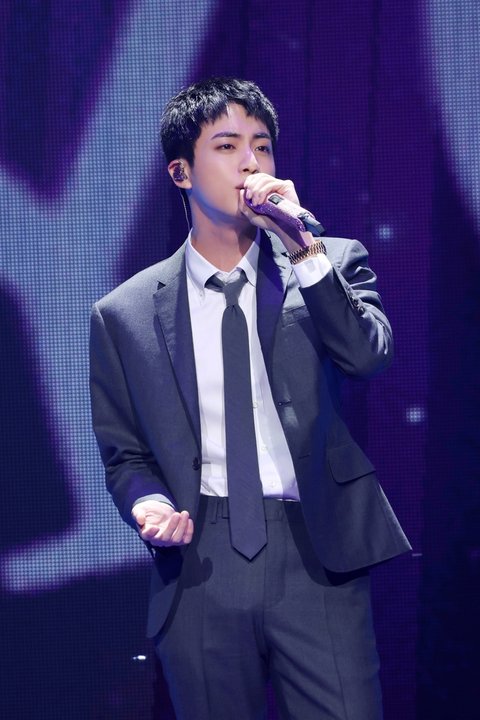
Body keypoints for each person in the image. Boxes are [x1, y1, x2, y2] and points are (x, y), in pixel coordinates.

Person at [90, 77, 410, 720]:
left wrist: (301, 245)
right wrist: (148, 503)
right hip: (201, 559)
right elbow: (126, 455)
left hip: (315, 551)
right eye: (228, 145)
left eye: (262, 146)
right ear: (181, 172)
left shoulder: (327, 261)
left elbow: (366, 355)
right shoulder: (124, 313)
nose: (250, 163)